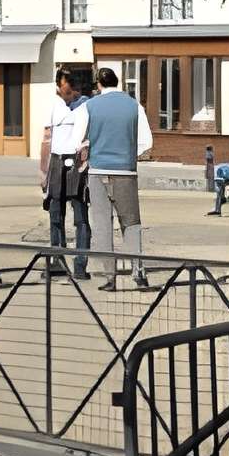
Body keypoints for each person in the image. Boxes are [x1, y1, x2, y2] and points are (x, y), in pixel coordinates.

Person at [85, 65, 150, 289]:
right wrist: (129, 154)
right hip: (126, 172)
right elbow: (146, 141)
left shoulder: (89, 106)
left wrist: (89, 151)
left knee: (102, 224)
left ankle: (109, 277)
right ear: (117, 82)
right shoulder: (134, 106)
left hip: (97, 171)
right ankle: (138, 273)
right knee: (131, 223)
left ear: (98, 84)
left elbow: (78, 139)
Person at [39, 68, 92, 277]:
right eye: (64, 90)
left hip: (78, 161)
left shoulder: (86, 105)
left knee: (80, 217)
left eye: (70, 90)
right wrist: (43, 172)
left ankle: (80, 265)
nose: (68, 94)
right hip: (57, 160)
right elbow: (46, 138)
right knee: (55, 214)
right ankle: (57, 261)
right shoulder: (53, 104)